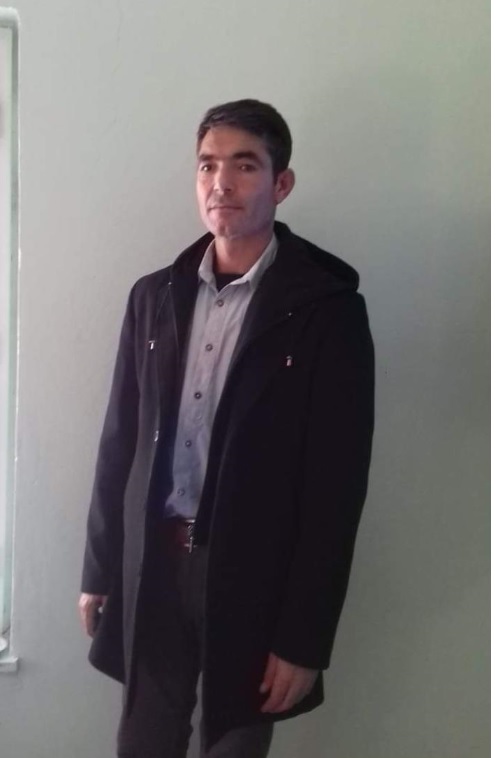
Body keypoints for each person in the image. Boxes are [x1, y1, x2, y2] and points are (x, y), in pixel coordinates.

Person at [78, 99, 376, 757]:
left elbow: (335, 490)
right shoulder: (154, 298)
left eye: (244, 165)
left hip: (253, 574)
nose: (221, 183)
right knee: (142, 744)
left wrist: (304, 638)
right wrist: (100, 567)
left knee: (234, 747)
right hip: (154, 564)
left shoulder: (326, 311)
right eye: (208, 165)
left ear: (281, 183)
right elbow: (119, 443)